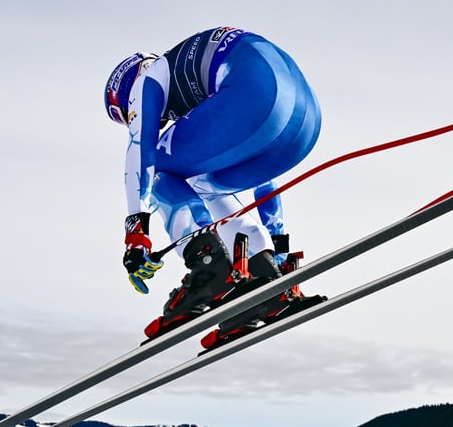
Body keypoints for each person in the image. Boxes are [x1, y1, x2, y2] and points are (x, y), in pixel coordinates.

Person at [104, 26, 322, 341]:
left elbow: (141, 152)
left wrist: (136, 236)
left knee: (163, 170)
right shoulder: (197, 88)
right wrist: (276, 247)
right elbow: (265, 182)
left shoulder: (146, 81)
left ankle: (209, 268)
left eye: (124, 116)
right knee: (198, 181)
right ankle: (264, 279)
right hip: (304, 124)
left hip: (255, 95)